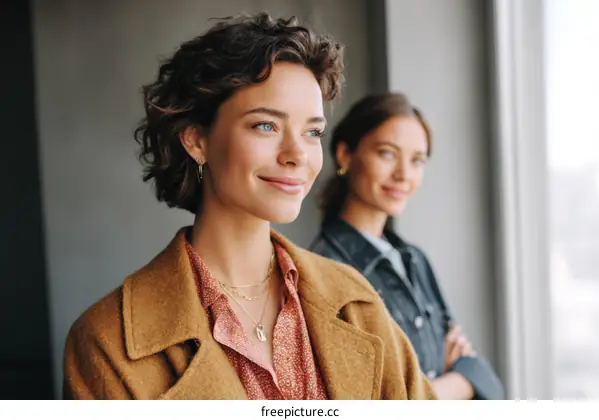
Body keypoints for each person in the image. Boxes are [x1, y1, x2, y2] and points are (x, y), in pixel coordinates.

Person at [62, 14, 437, 400]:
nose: (296, 155)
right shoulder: (107, 342)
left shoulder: (356, 301)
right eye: (266, 126)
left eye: (312, 132)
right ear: (196, 141)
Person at [309, 93, 505, 400]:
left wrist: (452, 379)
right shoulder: (324, 271)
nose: (403, 174)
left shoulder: (414, 260)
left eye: (417, 160)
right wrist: (459, 382)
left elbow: (485, 378)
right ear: (346, 154)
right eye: (387, 154)